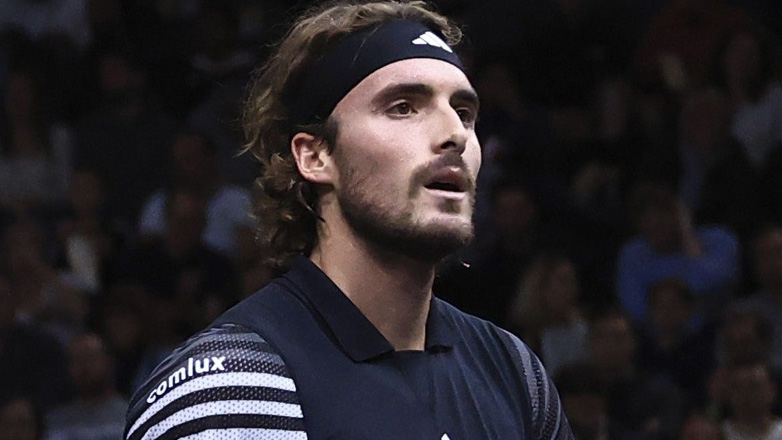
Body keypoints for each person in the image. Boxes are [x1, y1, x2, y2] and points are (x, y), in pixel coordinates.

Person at [124, 1, 574, 439]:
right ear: (315, 156)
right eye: (403, 107)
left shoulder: (515, 374)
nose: (454, 133)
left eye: (464, 113)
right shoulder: (233, 386)